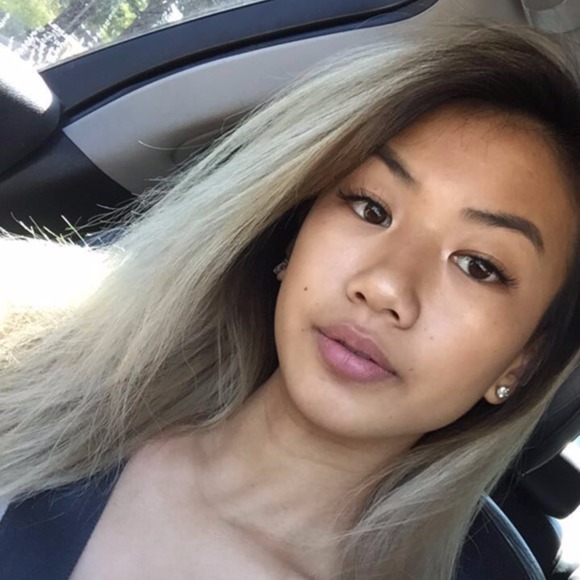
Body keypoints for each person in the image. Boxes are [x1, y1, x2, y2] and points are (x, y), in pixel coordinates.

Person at [0, 23, 579, 580]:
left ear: (520, 362)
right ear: (295, 235)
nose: (385, 286)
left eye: (478, 266)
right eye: (371, 208)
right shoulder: (25, 352)